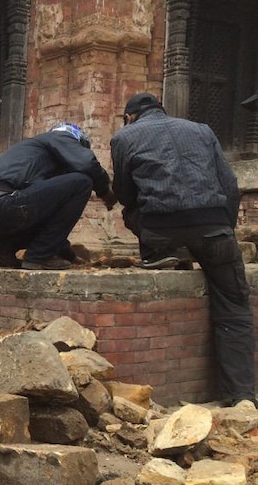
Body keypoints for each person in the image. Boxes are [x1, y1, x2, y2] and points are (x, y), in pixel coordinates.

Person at [111, 92, 255, 406]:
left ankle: (162, 255)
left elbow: (124, 192)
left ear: (130, 117)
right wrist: (224, 228)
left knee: (131, 211)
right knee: (234, 306)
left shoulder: (124, 137)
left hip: (162, 230)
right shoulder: (202, 130)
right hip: (214, 228)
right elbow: (229, 185)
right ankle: (242, 396)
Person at [0, 122, 117, 270]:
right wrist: (105, 191)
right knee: (82, 182)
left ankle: (1, 248)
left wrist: (70, 256)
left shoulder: (36, 155)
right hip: (5, 204)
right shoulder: (61, 137)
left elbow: (50, 219)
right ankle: (39, 257)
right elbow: (86, 164)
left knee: (49, 207)